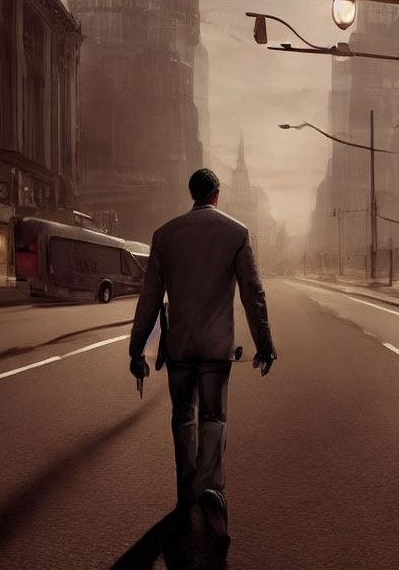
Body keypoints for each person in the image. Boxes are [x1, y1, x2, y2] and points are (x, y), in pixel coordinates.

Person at [128, 168, 277, 540]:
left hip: (178, 347)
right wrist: (265, 345)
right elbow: (252, 294)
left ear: (192, 194)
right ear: (217, 195)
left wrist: (137, 350)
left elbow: (149, 299)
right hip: (215, 348)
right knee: (214, 416)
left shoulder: (164, 236)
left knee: (183, 418)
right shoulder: (236, 233)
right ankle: (211, 486)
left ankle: (185, 493)